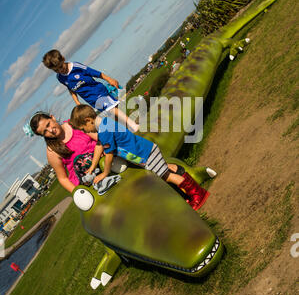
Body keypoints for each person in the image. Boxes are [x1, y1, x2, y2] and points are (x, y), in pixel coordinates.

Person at [70, 104, 210, 211]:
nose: (85, 132)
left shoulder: (105, 131)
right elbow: (99, 145)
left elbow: (109, 155)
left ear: (88, 120)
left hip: (145, 154)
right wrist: (92, 168)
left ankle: (198, 194)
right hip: (147, 150)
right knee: (165, 172)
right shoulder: (105, 123)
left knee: (166, 176)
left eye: (83, 128)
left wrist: (105, 173)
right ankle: (191, 194)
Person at [42, 49, 139, 133]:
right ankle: (128, 130)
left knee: (112, 109)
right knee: (113, 114)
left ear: (63, 58)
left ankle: (133, 125)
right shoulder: (60, 78)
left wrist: (109, 79)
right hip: (91, 100)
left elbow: (95, 73)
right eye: (56, 70)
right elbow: (71, 89)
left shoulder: (76, 66)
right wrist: (77, 102)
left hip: (98, 91)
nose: (60, 71)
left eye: (61, 67)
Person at [26, 111, 101, 193]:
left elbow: (99, 138)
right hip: (86, 180)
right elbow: (63, 178)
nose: (50, 130)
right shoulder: (52, 151)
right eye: (45, 132)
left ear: (52, 118)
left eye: (48, 124)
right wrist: (78, 194)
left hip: (102, 159)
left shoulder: (74, 124)